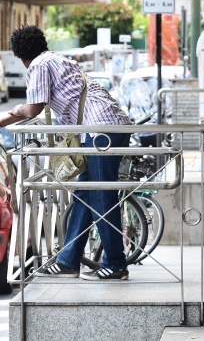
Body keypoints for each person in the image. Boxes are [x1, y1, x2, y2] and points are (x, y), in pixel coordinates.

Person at [0, 25, 132, 281]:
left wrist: (15, 109)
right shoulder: (57, 59)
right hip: (106, 127)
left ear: (21, 56)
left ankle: (116, 264)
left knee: (102, 195)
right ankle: (68, 261)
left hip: (100, 131)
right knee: (85, 194)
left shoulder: (38, 65)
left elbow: (31, 110)